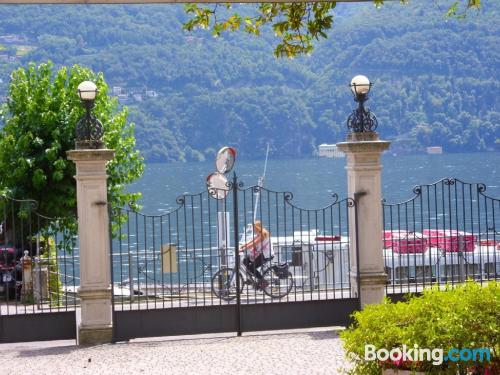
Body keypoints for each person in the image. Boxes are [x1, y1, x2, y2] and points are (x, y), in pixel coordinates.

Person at [239, 221, 272, 287]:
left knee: (252, 268)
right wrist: (242, 246)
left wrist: (243, 249)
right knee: (245, 261)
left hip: (266, 255)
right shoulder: (259, 234)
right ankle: (251, 278)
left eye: (254, 227)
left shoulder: (263, 234)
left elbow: (254, 243)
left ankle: (263, 281)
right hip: (260, 254)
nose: (253, 229)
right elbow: (252, 241)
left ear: (257, 227)